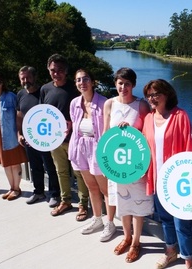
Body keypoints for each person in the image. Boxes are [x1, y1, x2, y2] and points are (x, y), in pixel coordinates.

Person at [142, 79, 192, 269]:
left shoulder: (180, 115)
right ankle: (170, 252)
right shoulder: (148, 118)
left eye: (156, 94)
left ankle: (188, 259)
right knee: (165, 220)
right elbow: (142, 146)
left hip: (177, 181)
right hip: (157, 180)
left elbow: (189, 148)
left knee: (182, 223)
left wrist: (188, 176)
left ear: (167, 94)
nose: (152, 98)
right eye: (149, 95)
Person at [103, 67, 153, 262]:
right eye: (120, 83)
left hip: (136, 165)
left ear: (133, 85)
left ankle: (136, 242)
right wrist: (106, 165)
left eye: (127, 84)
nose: (123, 87)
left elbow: (148, 135)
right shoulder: (109, 104)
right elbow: (105, 135)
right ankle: (126, 237)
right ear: (115, 83)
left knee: (137, 204)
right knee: (122, 202)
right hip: (116, 164)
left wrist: (133, 132)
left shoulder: (141, 105)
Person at [40, 54, 89, 218]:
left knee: (79, 172)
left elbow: (86, 111)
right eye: (53, 70)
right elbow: (41, 115)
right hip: (54, 141)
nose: (56, 73)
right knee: (61, 172)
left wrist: (73, 125)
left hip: (75, 140)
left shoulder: (75, 88)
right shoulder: (45, 89)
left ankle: (83, 204)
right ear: (48, 70)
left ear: (66, 71)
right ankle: (65, 201)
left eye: (60, 70)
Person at [68, 69, 109, 225]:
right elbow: (75, 126)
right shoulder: (74, 104)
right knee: (91, 186)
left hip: (98, 149)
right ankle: (97, 218)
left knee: (105, 189)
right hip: (81, 149)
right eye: (78, 80)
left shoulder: (104, 103)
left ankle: (110, 223)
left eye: (85, 79)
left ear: (92, 82)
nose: (82, 83)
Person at [16, 66, 60, 207]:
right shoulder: (21, 94)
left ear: (34, 77)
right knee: (35, 167)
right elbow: (19, 115)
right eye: (22, 78)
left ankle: (54, 194)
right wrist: (20, 134)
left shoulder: (43, 92)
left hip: (45, 137)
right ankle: (39, 192)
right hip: (29, 139)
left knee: (50, 167)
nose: (25, 80)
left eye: (28, 77)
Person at [0, 70, 27, 200]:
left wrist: (19, 133)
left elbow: (19, 116)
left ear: (3, 82)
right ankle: (12, 187)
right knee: (6, 164)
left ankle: (17, 188)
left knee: (15, 163)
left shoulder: (11, 96)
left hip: (10, 136)